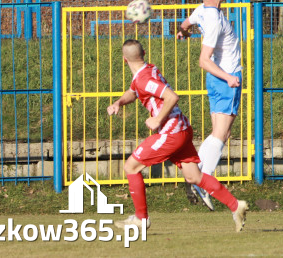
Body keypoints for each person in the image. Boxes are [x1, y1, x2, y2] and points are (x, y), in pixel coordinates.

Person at [106, 39, 247, 232]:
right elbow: (133, 92)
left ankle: (141, 219)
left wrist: (157, 119)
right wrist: (118, 103)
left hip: (171, 132)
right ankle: (235, 205)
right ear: (144, 53)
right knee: (193, 176)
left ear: (124, 59)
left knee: (131, 167)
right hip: (181, 129)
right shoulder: (145, 72)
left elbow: (171, 96)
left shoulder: (144, 79)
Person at [176, 0, 243, 211]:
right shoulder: (213, 19)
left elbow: (185, 24)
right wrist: (229, 77)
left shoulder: (201, 10)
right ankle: (201, 180)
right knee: (221, 134)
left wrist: (183, 32)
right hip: (224, 79)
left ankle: (194, 175)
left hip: (216, 81)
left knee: (219, 133)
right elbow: (203, 60)